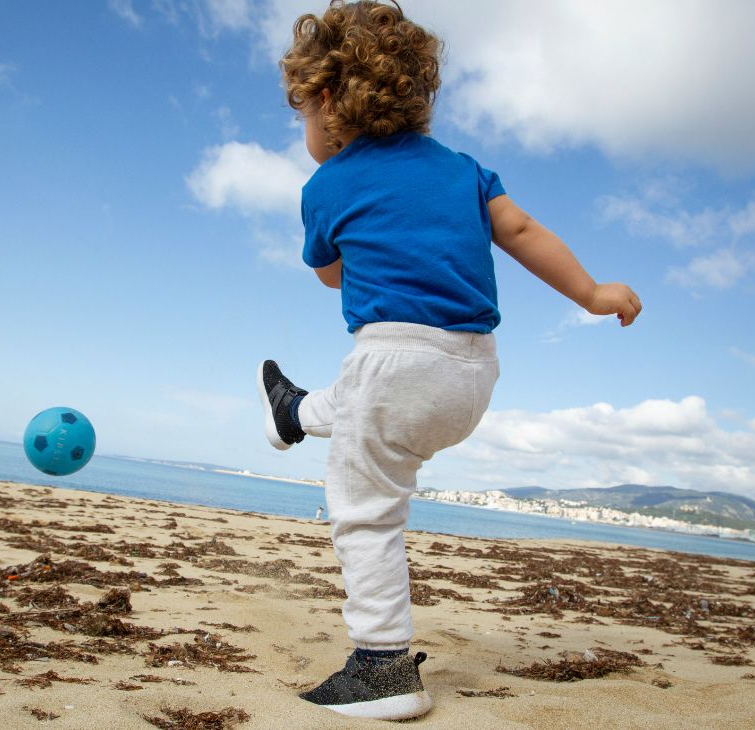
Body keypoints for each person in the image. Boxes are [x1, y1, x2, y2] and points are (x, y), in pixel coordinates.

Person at [256, 1, 641, 720]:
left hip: (393, 360)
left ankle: (381, 669)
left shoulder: (326, 186)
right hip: (471, 373)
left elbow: (332, 275)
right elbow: (522, 230)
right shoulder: (465, 170)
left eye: (302, 110)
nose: (303, 126)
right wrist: (590, 292)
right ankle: (291, 412)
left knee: (366, 512)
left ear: (330, 100)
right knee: (360, 403)